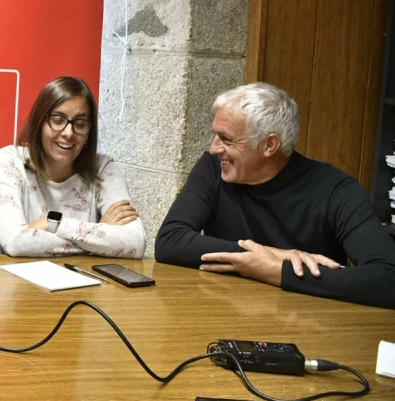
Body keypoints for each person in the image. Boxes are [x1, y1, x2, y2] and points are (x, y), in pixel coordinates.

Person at [155, 82, 395, 309]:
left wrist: (277, 270)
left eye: (226, 139)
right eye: (215, 135)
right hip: (223, 316)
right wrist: (272, 255)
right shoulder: (213, 168)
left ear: (269, 145)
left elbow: (388, 278)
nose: (213, 148)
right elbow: (170, 241)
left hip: (303, 324)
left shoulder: (335, 190)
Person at [0, 76, 145, 258]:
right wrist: (100, 234)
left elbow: (136, 242)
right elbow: (15, 243)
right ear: (39, 122)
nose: (68, 133)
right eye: (58, 120)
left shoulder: (103, 169)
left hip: (79, 275)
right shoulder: (8, 161)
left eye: (80, 124)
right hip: (8, 274)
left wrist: (52, 223)